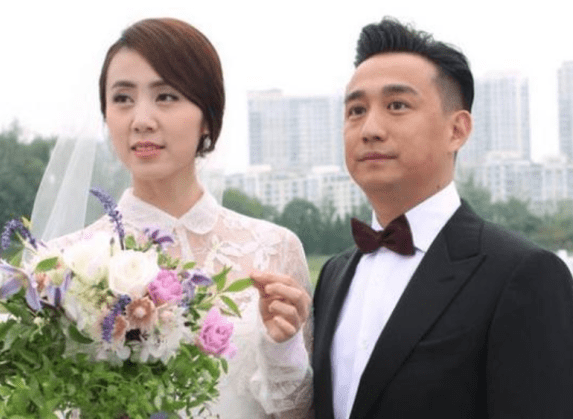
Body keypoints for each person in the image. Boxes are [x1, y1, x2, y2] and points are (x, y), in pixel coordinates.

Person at [41, 18, 313, 418]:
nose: (141, 120)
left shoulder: (275, 250)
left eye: (166, 96)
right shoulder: (61, 265)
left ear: (207, 116)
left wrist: (283, 352)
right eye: (122, 98)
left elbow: (300, 413)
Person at [312, 17, 573, 419]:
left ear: (457, 130)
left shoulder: (522, 274)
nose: (370, 129)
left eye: (397, 105)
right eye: (356, 110)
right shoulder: (333, 274)